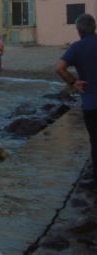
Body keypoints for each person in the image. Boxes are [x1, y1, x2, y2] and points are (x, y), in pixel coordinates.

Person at [55, 14, 97, 189]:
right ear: (94, 28)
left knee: (95, 140)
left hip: (91, 103)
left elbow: (59, 68)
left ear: (79, 31)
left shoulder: (77, 47)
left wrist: (73, 82)